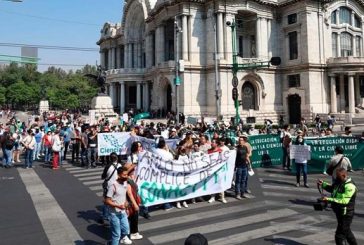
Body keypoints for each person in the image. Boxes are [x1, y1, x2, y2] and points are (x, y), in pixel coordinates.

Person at [318, 168, 358, 245]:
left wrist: (328, 199)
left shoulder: (350, 186)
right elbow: (333, 189)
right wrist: (323, 184)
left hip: (346, 213)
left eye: (338, 176)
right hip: (339, 211)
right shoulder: (339, 181)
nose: (336, 177)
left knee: (339, 236)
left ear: (344, 175)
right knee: (346, 231)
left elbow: (344, 201)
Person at [104, 166, 132, 245]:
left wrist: (126, 204)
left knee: (126, 230)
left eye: (126, 175)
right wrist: (118, 206)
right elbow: (107, 200)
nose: (126, 176)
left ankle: (115, 241)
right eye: (124, 175)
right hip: (114, 214)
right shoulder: (113, 186)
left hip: (123, 212)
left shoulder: (125, 183)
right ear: (119, 175)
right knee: (116, 234)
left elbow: (124, 195)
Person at [234, 133, 252, 199]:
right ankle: (237, 194)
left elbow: (247, 155)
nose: (240, 141)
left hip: (245, 166)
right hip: (239, 166)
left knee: (243, 180)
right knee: (238, 180)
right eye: (239, 140)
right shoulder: (236, 148)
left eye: (241, 140)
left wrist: (249, 164)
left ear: (244, 141)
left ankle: (243, 193)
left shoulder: (245, 147)